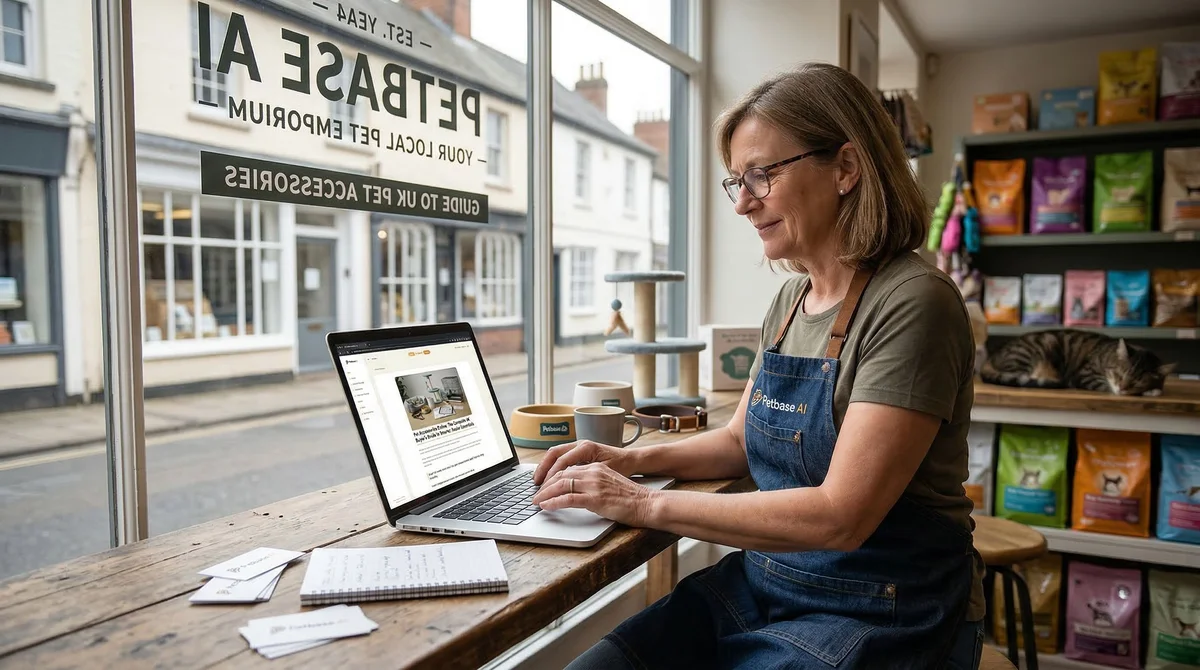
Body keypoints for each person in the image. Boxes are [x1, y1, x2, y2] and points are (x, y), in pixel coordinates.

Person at [532, 62, 983, 669]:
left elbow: (839, 517)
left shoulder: (912, 303)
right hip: (769, 582)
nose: (743, 203)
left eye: (761, 175)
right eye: (736, 181)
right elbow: (739, 442)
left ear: (846, 168)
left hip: (884, 608)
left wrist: (641, 504)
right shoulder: (792, 300)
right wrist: (627, 461)